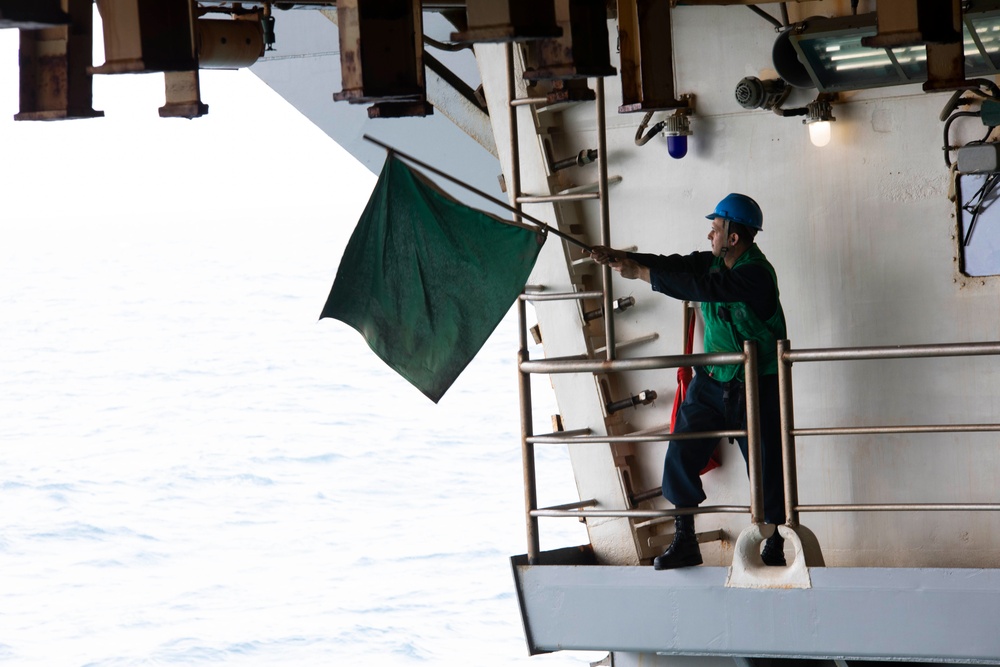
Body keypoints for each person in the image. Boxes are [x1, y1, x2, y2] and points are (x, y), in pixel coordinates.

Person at [590, 193, 787, 570]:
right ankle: (685, 540)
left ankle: (774, 542)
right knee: (680, 452)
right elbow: (673, 266)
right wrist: (622, 258)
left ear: (733, 237)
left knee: (766, 467)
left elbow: (706, 291)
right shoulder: (713, 263)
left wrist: (642, 276)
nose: (709, 235)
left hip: (755, 383)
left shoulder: (757, 274)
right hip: (711, 382)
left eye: (715, 229)